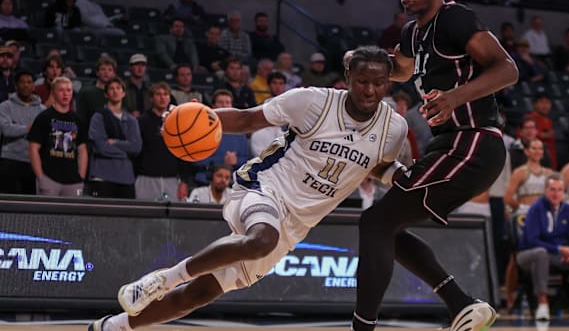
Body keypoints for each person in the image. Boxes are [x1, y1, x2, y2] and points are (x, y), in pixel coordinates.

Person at [88, 46, 408, 331]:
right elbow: (245, 119)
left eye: (379, 83)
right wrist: (195, 116)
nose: (370, 90)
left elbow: (375, 164)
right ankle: (162, 279)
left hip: (296, 226)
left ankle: (112, 326)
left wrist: (400, 176)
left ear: (388, 83)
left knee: (201, 293)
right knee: (261, 240)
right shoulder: (312, 101)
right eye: (362, 81)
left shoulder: (393, 129)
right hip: (262, 186)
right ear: (348, 76)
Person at [351, 0, 518, 331]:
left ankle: (362, 327)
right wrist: (360, 62)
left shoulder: (455, 18)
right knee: (384, 227)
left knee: (375, 223)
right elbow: (401, 71)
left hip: (474, 140)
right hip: (448, 144)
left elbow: (507, 69)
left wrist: (455, 96)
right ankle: (462, 305)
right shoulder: (412, 33)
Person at [516, 173, 569, 322]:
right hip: (528, 254)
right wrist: (560, 249)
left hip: (556, 254)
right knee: (541, 253)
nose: (556, 193)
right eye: (552, 189)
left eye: (560, 190)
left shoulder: (568, 209)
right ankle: (542, 305)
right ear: (546, 191)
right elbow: (533, 241)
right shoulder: (536, 209)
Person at [502, 138, 552, 309]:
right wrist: (526, 208)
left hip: (544, 218)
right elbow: (508, 197)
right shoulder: (520, 172)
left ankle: (540, 294)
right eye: (534, 148)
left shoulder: (549, 174)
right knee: (515, 256)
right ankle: (510, 294)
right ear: (527, 151)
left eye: (540, 148)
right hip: (523, 217)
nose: (537, 151)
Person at [27, 77, 87, 196]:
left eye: (69, 90)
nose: (66, 94)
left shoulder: (77, 120)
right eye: (61, 90)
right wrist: (41, 177)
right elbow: (33, 148)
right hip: (49, 179)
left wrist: (81, 177)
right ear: (53, 93)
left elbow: (82, 150)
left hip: (73, 181)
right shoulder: (44, 117)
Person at [88, 77, 142, 200]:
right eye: (111, 88)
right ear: (106, 94)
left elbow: (136, 147)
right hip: (102, 175)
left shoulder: (132, 120)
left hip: (126, 177)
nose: (115, 91)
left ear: (123, 93)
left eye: (118, 88)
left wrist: (115, 143)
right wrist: (125, 151)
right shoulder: (98, 117)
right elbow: (101, 147)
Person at [0, 69, 46, 195]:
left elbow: (44, 134)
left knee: (28, 205)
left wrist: (18, 127)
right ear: (16, 85)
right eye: (22, 82)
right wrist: (29, 128)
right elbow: (7, 130)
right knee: (7, 203)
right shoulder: (5, 106)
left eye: (29, 82)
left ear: (33, 86)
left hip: (32, 161)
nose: (26, 85)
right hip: (10, 160)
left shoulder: (42, 109)